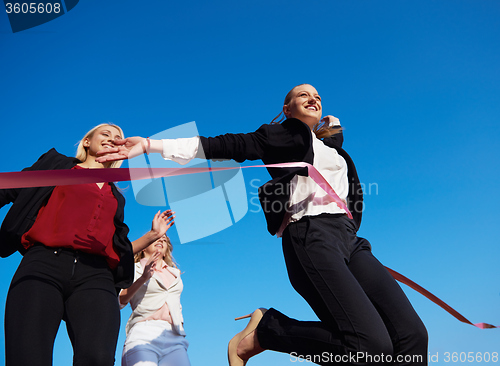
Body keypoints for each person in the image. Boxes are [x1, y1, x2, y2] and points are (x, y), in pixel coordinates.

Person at [97, 84, 428, 365]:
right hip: (312, 237)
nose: (313, 98)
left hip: (351, 242)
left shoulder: (335, 152)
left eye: (317, 96)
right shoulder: (282, 136)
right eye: (302, 95)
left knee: (412, 337)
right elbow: (227, 145)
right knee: (371, 347)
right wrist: (153, 145)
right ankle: (268, 330)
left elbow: (348, 182)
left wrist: (330, 131)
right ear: (286, 108)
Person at [0, 123, 175, 366]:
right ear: (86, 142)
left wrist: (152, 235)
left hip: (96, 276)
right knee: (28, 356)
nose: (112, 140)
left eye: (117, 139)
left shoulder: (116, 197)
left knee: (98, 358)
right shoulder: (57, 165)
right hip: (42, 265)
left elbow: (117, 250)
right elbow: (7, 190)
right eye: (105, 134)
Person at [119, 234, 190, 366]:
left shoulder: (175, 273)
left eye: (164, 240)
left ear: (165, 252)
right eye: (156, 238)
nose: (161, 240)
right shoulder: (134, 269)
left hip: (174, 335)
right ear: (143, 248)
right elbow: (120, 300)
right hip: (144, 333)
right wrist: (143, 278)